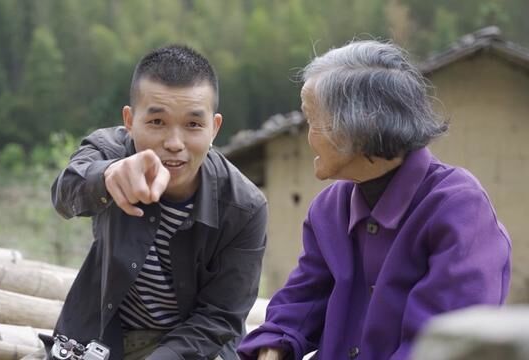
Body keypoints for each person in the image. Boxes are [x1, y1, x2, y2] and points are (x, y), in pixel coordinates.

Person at [237, 40, 511, 360]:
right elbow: (303, 300)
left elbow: (443, 346)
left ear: (359, 129)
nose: (306, 135)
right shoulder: (329, 210)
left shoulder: (458, 209)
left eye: (312, 121)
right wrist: (274, 347)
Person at [46, 45, 267, 360]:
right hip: (105, 337)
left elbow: (220, 316)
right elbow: (65, 193)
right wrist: (107, 177)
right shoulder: (108, 150)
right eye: (157, 123)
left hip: (194, 349)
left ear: (214, 128)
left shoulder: (244, 207)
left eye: (193, 125)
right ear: (130, 120)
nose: (174, 144)